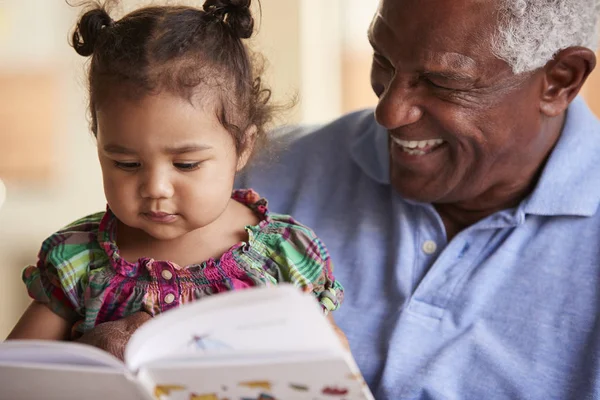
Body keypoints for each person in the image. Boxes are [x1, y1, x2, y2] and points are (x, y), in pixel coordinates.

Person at [40, 0, 600, 398]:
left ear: (561, 78)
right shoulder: (242, 178)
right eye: (383, 61)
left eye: (442, 82)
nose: (389, 111)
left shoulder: (278, 244)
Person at [6, 0, 344, 349]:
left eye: (185, 165)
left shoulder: (284, 257)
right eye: (126, 164)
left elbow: (335, 366)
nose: (155, 188)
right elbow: (19, 374)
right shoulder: (79, 262)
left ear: (243, 147)